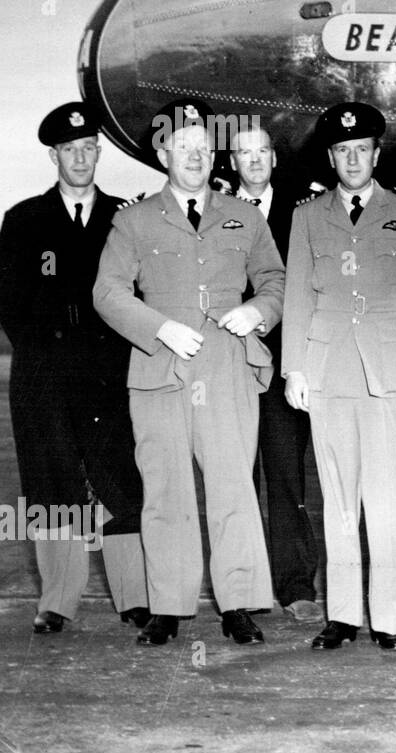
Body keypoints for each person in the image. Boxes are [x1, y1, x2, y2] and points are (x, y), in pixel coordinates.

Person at [93, 98, 282, 646]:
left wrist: (257, 311)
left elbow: (275, 279)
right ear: (163, 152)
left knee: (232, 487)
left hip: (227, 366)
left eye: (203, 146)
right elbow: (107, 292)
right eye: (184, 145)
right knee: (165, 489)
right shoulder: (132, 220)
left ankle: (239, 603)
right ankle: (169, 607)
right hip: (160, 370)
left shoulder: (243, 215)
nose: (196, 155)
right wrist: (158, 328)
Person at [282, 102, 396, 652]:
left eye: (361, 149)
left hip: (389, 373)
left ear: (376, 154)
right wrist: (293, 369)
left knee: (386, 499)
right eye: (342, 150)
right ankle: (344, 615)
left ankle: (388, 619)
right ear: (331, 156)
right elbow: (297, 292)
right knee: (339, 497)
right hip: (326, 371)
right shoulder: (306, 216)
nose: (352, 158)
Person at [0, 102, 148, 634]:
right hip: (44, 374)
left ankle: (134, 597)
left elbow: (137, 292)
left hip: (111, 372)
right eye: (70, 150)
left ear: (98, 152)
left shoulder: (125, 216)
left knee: (121, 480)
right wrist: (47, 352)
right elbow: (10, 302)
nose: (81, 158)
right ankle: (57, 602)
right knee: (51, 480)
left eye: (89, 148)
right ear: (53, 155)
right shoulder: (22, 220)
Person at [227, 124, 322, 625]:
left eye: (262, 151)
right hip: (232, 365)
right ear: (233, 162)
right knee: (236, 479)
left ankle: (295, 585)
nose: (255, 160)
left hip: (286, 366)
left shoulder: (305, 212)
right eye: (244, 153)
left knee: (287, 478)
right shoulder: (216, 210)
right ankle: (240, 588)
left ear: (274, 159)